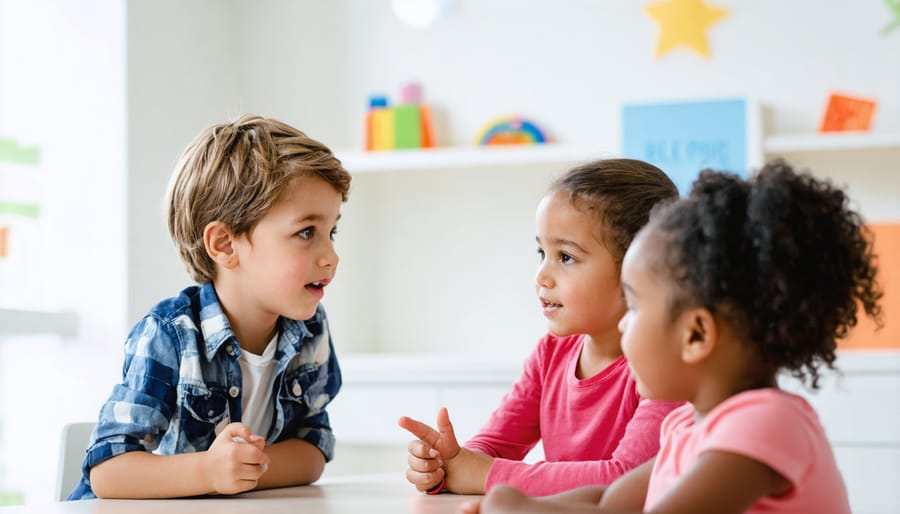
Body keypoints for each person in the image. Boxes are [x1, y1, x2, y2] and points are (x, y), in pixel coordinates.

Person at [465, 160, 883, 513]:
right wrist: (521, 504)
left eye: (636, 305)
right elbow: (611, 503)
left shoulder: (768, 423)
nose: (625, 323)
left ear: (696, 334)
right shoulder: (686, 424)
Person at [68, 114, 352, 500]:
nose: (331, 256)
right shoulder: (169, 334)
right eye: (306, 232)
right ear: (224, 245)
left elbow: (312, 451)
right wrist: (210, 471)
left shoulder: (310, 328)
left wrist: (239, 473)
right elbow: (109, 474)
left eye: (331, 231)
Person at [399, 159, 684, 496]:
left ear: (637, 269)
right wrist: (445, 464)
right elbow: (494, 446)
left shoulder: (666, 368)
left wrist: (483, 474)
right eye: (541, 252)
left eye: (565, 257)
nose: (541, 276)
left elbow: (627, 481)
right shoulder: (552, 353)